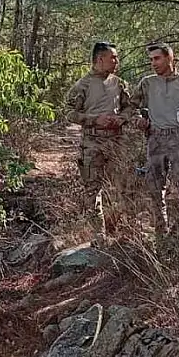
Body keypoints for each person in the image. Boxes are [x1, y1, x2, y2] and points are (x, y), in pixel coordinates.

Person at [64, 41, 132, 238]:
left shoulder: (119, 83)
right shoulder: (82, 85)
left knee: (118, 188)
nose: (116, 61)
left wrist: (121, 119)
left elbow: (129, 107)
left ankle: (117, 233)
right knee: (92, 190)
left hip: (116, 143)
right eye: (113, 57)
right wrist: (94, 120)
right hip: (92, 143)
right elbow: (69, 113)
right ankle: (98, 235)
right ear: (100, 59)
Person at [130, 43, 179, 234]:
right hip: (155, 138)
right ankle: (161, 229)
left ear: (169, 58)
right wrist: (139, 119)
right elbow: (130, 106)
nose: (153, 63)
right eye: (151, 60)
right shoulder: (147, 83)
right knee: (155, 186)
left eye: (157, 58)